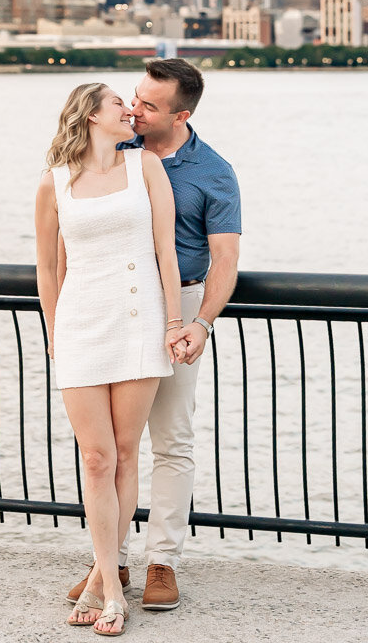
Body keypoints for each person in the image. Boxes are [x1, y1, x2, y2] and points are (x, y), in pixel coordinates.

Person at [66, 58, 241, 612]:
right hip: (117, 307)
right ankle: (107, 563)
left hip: (181, 304)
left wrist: (199, 322)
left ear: (181, 113)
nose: (135, 109)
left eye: (149, 105)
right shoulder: (113, 151)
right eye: (134, 98)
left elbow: (226, 260)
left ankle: (162, 560)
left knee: (172, 437)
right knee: (110, 450)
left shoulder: (214, 172)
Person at [36, 82, 187, 636]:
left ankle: (106, 587)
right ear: (90, 116)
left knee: (124, 454)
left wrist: (174, 323)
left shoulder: (145, 166)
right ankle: (106, 572)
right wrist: (55, 334)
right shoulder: (54, 183)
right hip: (79, 327)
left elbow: (164, 250)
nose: (131, 111)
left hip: (138, 322)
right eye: (119, 105)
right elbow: (48, 270)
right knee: (95, 458)